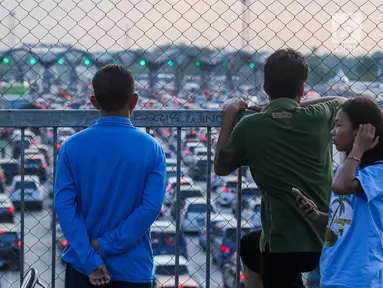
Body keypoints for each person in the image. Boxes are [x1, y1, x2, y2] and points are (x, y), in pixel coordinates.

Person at [214, 48, 347, 288]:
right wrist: (296, 105)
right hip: (324, 232)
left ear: (265, 87)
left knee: (253, 249)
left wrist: (231, 112)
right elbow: (344, 102)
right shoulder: (318, 116)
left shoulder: (251, 125)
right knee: (249, 246)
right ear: (302, 88)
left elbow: (221, 167)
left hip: (282, 242)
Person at [54, 65, 167, 288]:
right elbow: (151, 208)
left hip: (81, 269)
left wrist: (89, 257)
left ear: (94, 102)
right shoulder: (152, 149)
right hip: (132, 269)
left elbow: (65, 207)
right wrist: (105, 245)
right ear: (134, 101)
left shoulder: (71, 147)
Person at [296, 97, 383, 287]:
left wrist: (358, 148)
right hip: (335, 273)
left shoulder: (378, 172)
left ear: (361, 131)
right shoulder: (350, 170)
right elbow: (351, 219)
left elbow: (340, 186)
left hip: (360, 278)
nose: (332, 132)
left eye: (338, 125)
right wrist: (320, 216)